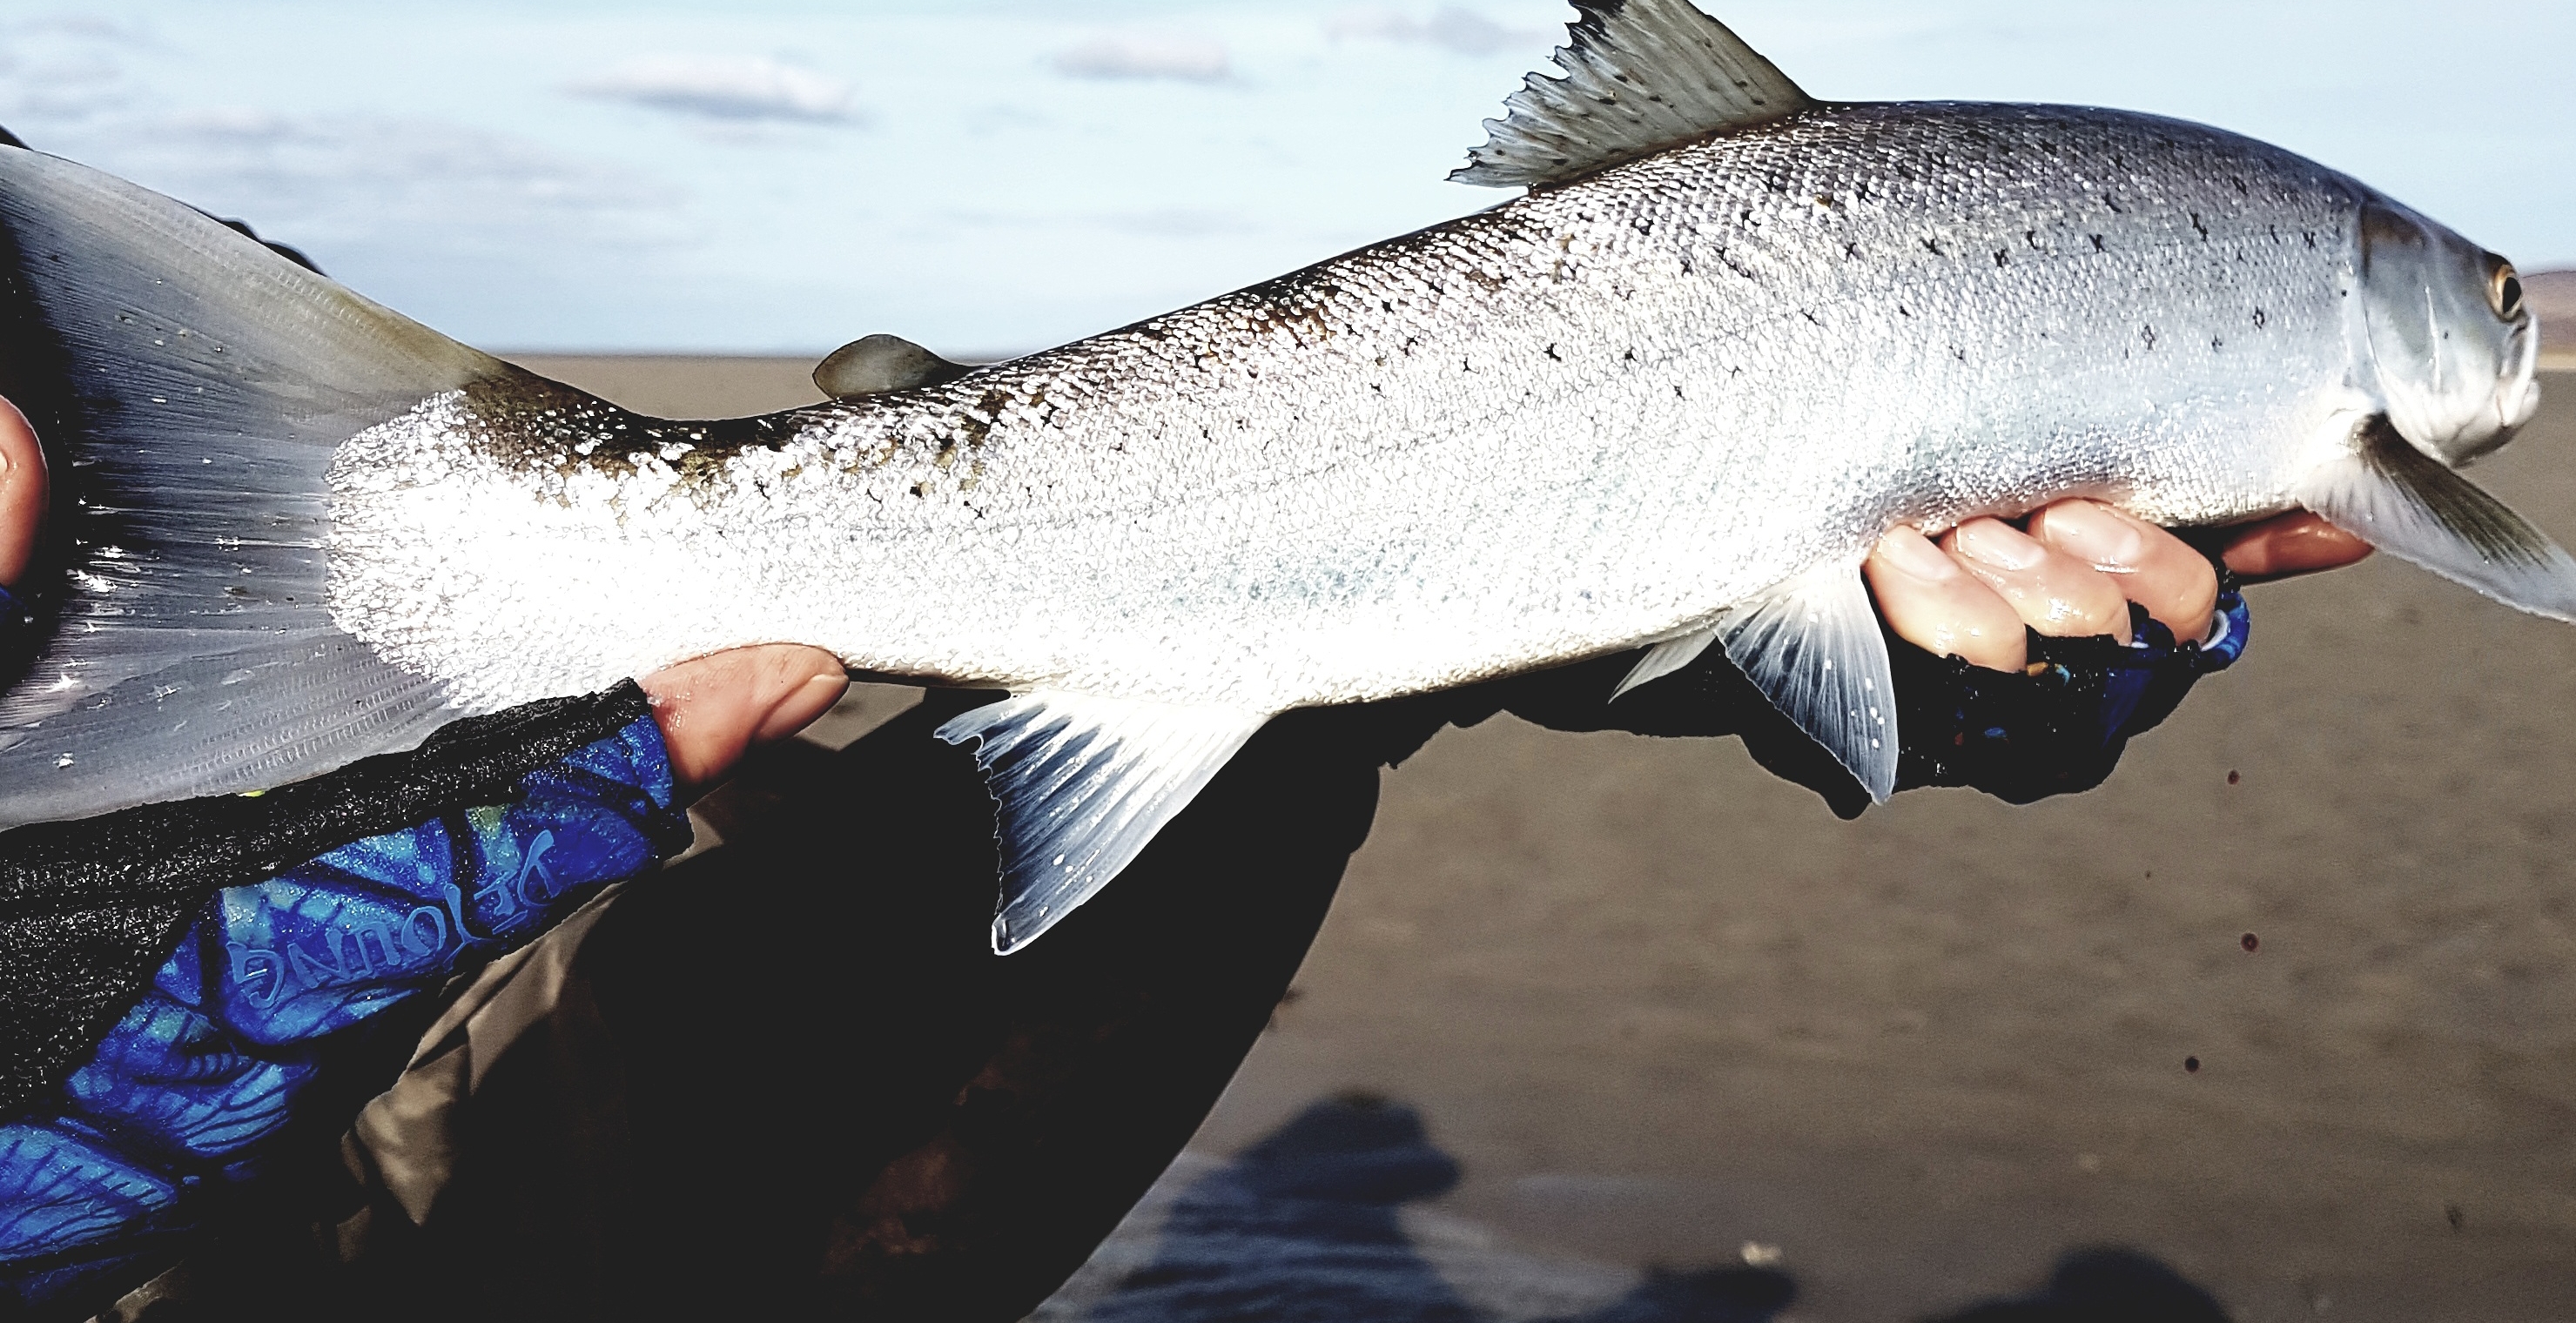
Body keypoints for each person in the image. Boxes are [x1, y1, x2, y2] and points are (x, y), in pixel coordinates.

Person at [0, 353, 2367, 1320]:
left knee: (1232, 738)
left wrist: (1785, 610)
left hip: (380, 1130)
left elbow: (1089, 523)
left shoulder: (96, 303)